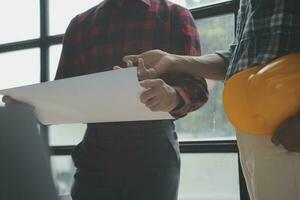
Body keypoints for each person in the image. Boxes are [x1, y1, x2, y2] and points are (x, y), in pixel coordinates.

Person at [124, 0, 300, 199]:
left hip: (289, 129)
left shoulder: (173, 13)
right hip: (254, 133)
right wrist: (173, 61)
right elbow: (238, 59)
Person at [54, 0, 208, 200]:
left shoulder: (175, 16)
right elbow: (62, 93)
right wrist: (32, 106)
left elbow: (197, 88)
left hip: (153, 149)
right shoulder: (80, 25)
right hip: (96, 149)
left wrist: (172, 96)